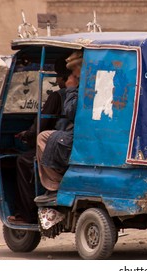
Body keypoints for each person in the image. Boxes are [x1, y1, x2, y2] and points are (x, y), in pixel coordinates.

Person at [7, 56, 71, 224]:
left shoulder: (58, 96)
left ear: (66, 77)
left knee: (23, 161)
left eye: (58, 76)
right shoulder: (83, 93)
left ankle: (28, 215)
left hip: (59, 146)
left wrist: (26, 135)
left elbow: (40, 127)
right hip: (69, 143)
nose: (56, 80)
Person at [34, 51, 83, 203]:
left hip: (77, 138)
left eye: (74, 72)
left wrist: (70, 89)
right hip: (79, 135)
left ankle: (56, 185)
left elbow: (71, 112)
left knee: (41, 138)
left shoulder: (73, 89)